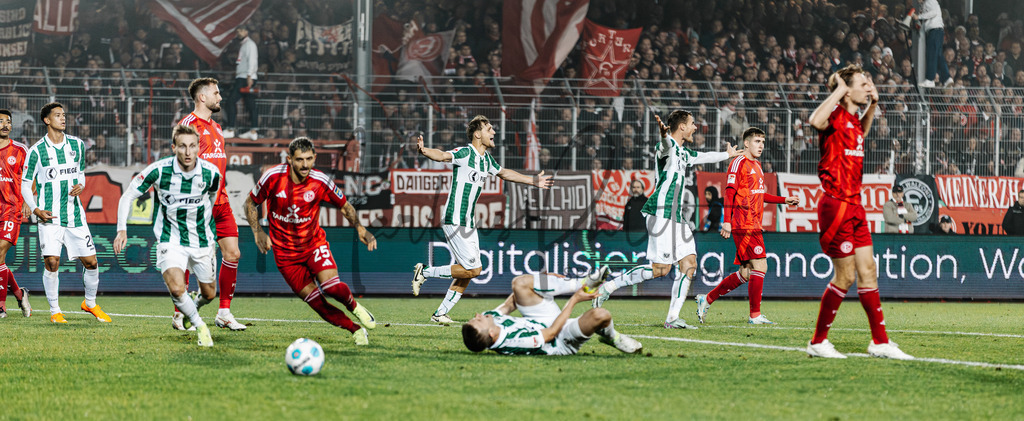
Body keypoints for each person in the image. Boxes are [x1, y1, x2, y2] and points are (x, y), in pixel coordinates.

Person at [593, 111, 740, 329]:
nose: (695, 128)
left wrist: (726, 155)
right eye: (692, 124)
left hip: (677, 218)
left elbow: (702, 156)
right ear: (681, 127)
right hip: (661, 213)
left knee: (689, 263)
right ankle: (608, 287)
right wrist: (663, 136)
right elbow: (664, 147)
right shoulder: (667, 147)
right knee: (660, 269)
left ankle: (672, 318)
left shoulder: (683, 152)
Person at [804, 65, 912, 360]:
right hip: (836, 205)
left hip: (855, 204)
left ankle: (879, 341)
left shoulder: (852, 120)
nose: (869, 87)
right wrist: (838, 89)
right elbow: (814, 120)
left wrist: (874, 105)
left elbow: (860, 132)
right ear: (846, 89)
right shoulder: (835, 116)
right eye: (863, 84)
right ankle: (817, 341)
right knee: (846, 275)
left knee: (868, 271)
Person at [411, 115, 554, 324]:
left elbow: (504, 173)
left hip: (468, 221)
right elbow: (442, 155)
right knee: (474, 270)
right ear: (478, 134)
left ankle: (440, 313)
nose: (493, 132)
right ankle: (425, 271)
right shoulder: (465, 152)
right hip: (455, 218)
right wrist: (424, 151)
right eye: (489, 129)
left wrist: (532, 180)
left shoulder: (486, 160)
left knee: (469, 272)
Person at [244, 137, 378, 345]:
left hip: (313, 245)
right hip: (286, 256)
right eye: (299, 160)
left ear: (315, 157)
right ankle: (355, 329)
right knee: (318, 303)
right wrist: (257, 232)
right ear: (289, 159)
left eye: (309, 159)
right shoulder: (272, 177)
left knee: (332, 288)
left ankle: (354, 307)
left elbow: (344, 205)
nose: (305, 165)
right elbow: (250, 203)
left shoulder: (320, 180)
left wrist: (360, 227)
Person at [113, 125, 220, 346]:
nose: (188, 152)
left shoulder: (211, 174)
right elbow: (128, 196)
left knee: (209, 294)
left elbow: (211, 199)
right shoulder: (159, 170)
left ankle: (194, 304)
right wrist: (121, 228)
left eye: (192, 146)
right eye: (182, 146)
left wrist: (211, 234)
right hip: (170, 239)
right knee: (176, 288)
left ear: (198, 148)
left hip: (201, 240)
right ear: (174, 148)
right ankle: (200, 326)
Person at [695, 127, 800, 325]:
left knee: (746, 273)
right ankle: (755, 316)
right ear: (746, 143)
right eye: (756, 141)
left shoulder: (757, 165)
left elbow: (760, 194)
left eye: (762, 142)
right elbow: (729, 193)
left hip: (753, 223)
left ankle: (706, 299)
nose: (760, 145)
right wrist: (726, 221)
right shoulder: (739, 163)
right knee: (761, 265)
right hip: (744, 224)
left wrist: (784, 199)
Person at [21, 102, 111, 324]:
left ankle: (89, 303)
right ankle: (55, 311)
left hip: (75, 215)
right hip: (49, 216)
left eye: (64, 115)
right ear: (47, 120)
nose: (63, 118)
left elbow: (80, 174)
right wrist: (35, 209)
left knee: (91, 262)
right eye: (58, 115)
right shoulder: (36, 151)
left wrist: (81, 185)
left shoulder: (77, 145)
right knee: (52, 262)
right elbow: (25, 184)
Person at [174, 77, 246, 331]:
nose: (220, 97)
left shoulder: (216, 128)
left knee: (233, 253)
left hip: (221, 200)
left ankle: (224, 313)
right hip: (197, 201)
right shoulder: (188, 125)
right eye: (216, 93)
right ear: (202, 97)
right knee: (187, 257)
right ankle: (178, 314)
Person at [461, 271, 643, 356]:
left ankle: (582, 283)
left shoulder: (489, 319)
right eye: (477, 321)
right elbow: (552, 333)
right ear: (491, 334)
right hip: (559, 339)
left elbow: (510, 304)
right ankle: (612, 337)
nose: (477, 315)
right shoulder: (513, 342)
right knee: (601, 315)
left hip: (538, 319)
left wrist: (541, 282)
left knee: (520, 282)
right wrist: (574, 300)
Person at [0, 109, 32, 318]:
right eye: (1, 121)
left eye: (8, 122)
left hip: (11, 210)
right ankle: (20, 295)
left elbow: (30, 178)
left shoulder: (21, 150)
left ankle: (1, 307)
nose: (5, 124)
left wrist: (30, 202)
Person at [223, 27, 259, 140]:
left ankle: (230, 128)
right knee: (250, 103)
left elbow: (252, 60)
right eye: (237, 31)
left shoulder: (249, 44)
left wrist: (249, 76)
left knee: (230, 101)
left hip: (245, 78)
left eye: (241, 30)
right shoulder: (244, 44)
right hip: (243, 76)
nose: (239, 33)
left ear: (247, 32)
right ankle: (253, 131)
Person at [916, 0, 951, 87]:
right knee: (938, 55)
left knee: (931, 54)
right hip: (937, 31)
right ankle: (947, 77)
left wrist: (919, 16)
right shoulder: (926, 3)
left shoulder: (929, 1)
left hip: (934, 30)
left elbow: (933, 12)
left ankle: (930, 79)